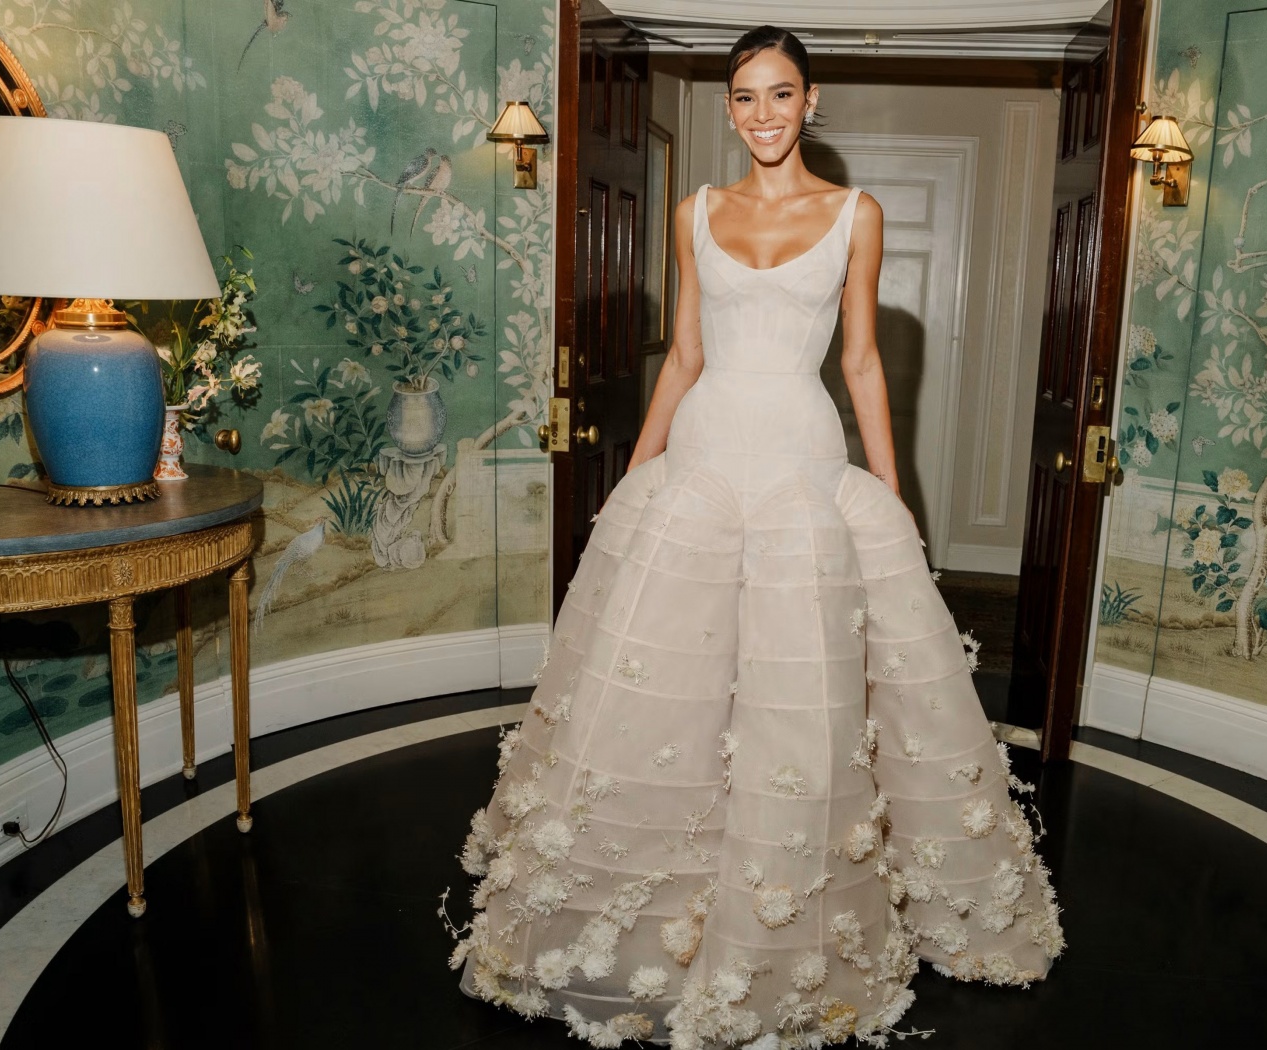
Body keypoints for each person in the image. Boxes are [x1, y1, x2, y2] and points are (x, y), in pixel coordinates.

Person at [446, 25, 1064, 1048]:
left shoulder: (855, 214)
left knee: (795, 681)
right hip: (703, 451)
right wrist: (639, 467)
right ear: (730, 107)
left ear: (810, 102)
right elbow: (686, 355)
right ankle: (664, 891)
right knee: (672, 677)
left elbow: (861, 361)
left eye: (780, 94)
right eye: (744, 96)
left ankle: (782, 906)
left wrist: (890, 490)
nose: (762, 114)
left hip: (801, 458)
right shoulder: (695, 211)